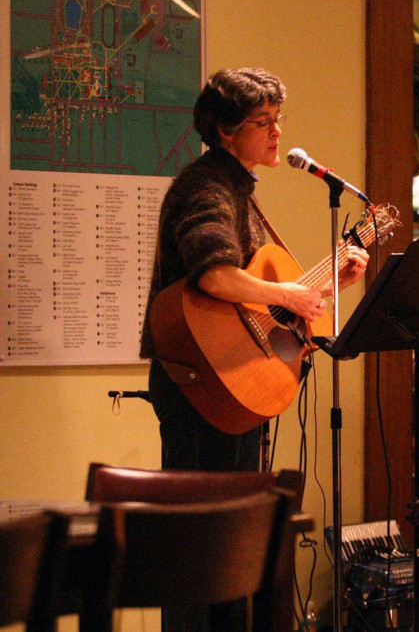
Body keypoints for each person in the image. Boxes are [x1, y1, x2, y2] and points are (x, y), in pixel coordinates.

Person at [140, 67, 369, 472]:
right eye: (263, 122)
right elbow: (214, 275)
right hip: (202, 376)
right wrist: (286, 294)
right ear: (225, 131)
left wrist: (329, 284)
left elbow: (247, 299)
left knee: (232, 515)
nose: (276, 132)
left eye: (277, 119)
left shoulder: (233, 186)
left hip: (226, 373)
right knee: (204, 519)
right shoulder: (206, 187)